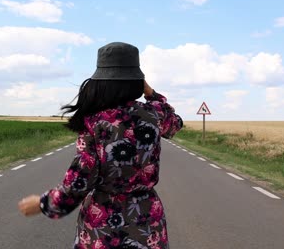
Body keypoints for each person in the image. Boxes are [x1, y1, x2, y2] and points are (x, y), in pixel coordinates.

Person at [18, 42, 183, 248]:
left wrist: (44, 204)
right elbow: (175, 122)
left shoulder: (94, 122)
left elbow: (80, 181)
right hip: (148, 220)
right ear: (138, 81)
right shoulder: (154, 114)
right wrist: (151, 93)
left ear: (101, 81)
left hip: (103, 226)